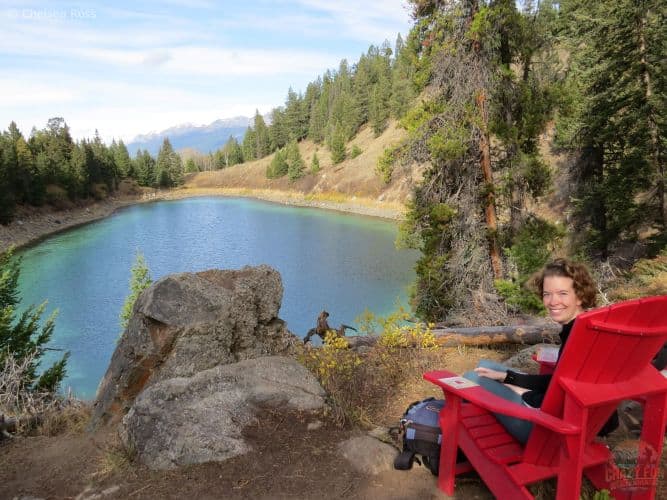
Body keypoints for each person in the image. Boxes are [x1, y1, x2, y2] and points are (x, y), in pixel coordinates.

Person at [462, 258, 618, 443]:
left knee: (470, 379)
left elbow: (559, 389)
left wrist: (518, 390)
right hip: (573, 415)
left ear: (580, 296)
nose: (553, 301)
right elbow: (563, 381)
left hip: (547, 428)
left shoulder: (577, 337)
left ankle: (469, 444)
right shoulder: (591, 327)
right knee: (485, 367)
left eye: (562, 293)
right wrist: (507, 378)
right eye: (547, 294)